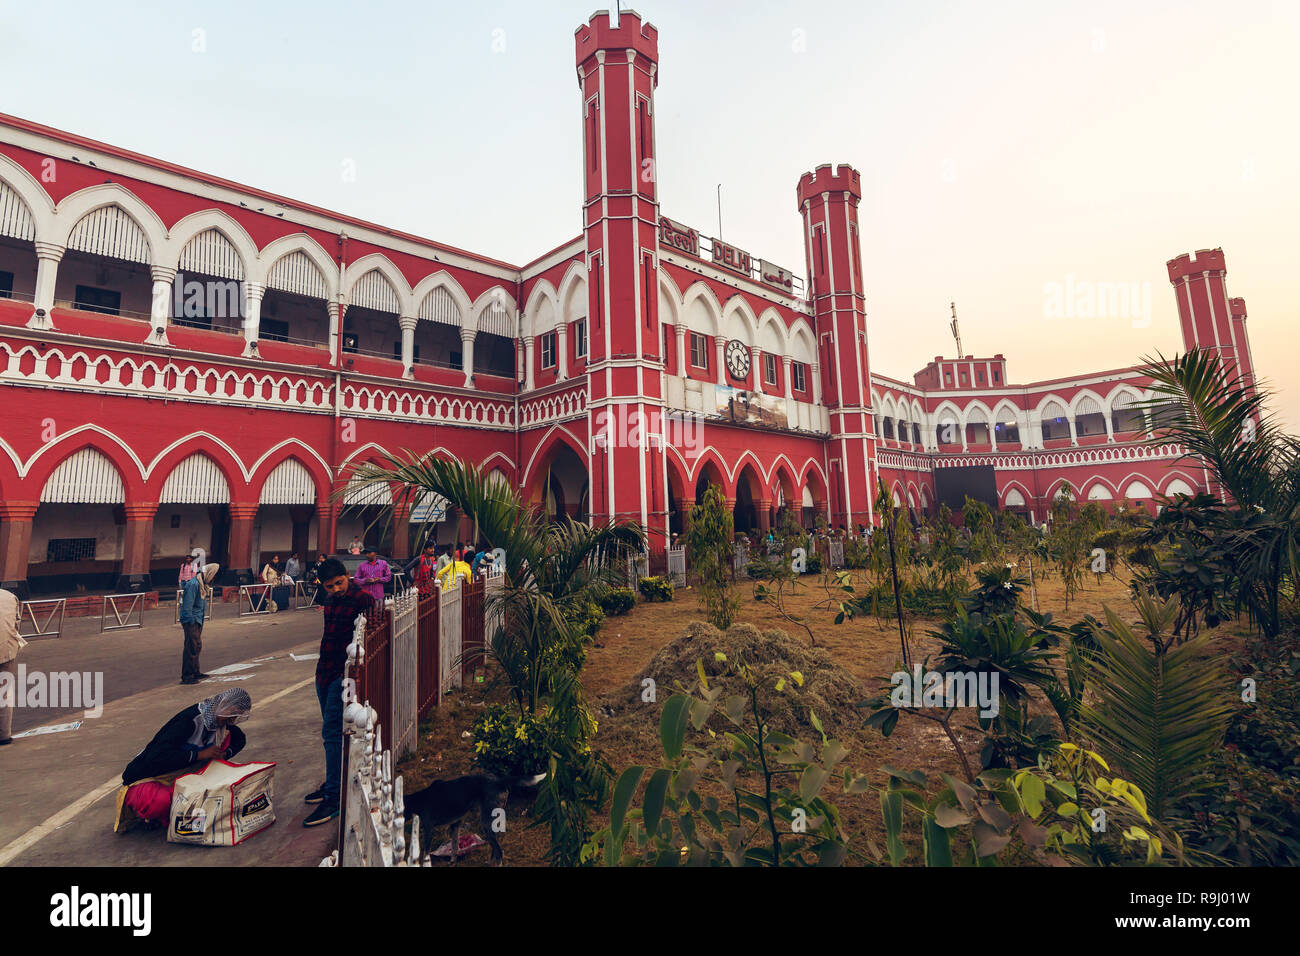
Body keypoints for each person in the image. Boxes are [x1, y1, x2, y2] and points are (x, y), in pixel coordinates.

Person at [116, 688, 252, 828]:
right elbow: (157, 756)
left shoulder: (221, 723)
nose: (233, 719)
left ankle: (179, 803)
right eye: (232, 713)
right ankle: (147, 813)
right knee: (163, 802)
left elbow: (240, 739)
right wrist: (200, 755)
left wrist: (224, 754)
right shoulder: (189, 720)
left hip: (183, 772)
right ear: (222, 705)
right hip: (150, 776)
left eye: (236, 716)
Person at [305, 558, 375, 827]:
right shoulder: (331, 602)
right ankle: (335, 782)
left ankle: (334, 795)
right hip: (324, 670)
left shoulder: (363, 600)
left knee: (331, 732)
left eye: (339, 583)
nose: (335, 589)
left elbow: (366, 640)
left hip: (343, 675)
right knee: (330, 734)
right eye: (330, 586)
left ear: (348, 576)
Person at [179, 563, 219, 685]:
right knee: (191, 647)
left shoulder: (202, 584)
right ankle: (187, 676)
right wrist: (191, 622)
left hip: (198, 619)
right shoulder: (194, 584)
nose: (213, 579)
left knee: (197, 646)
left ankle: (196, 671)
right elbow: (187, 607)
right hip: (191, 620)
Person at [0, 588, 24, 746]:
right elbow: (16, 622)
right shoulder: (10, 596)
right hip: (6, 649)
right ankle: (4, 735)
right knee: (4, 692)